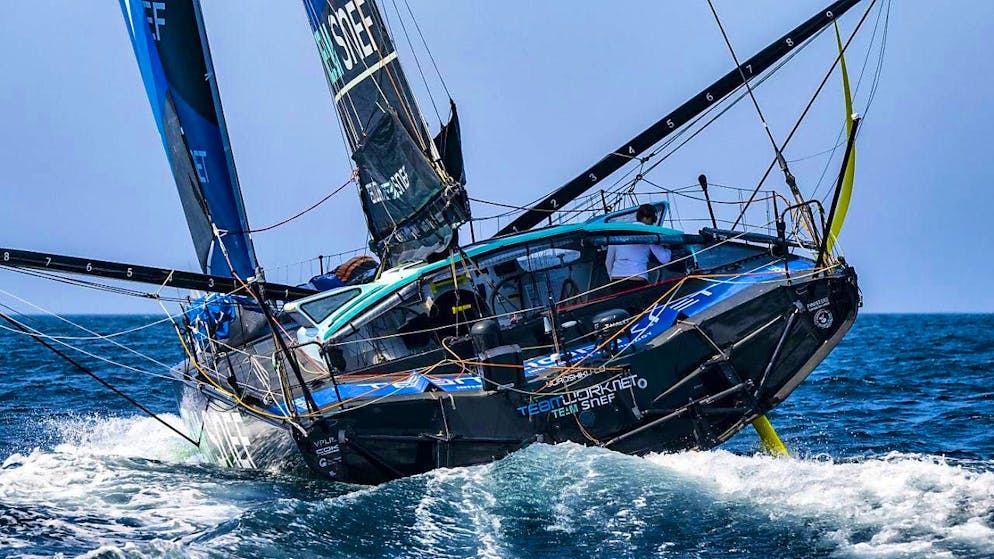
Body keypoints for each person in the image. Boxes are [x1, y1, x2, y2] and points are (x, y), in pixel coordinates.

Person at [605, 204, 672, 294]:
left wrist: (611, 277)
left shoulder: (618, 232)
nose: (652, 224)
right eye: (652, 221)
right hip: (637, 280)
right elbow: (665, 259)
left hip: (616, 280)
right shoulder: (649, 233)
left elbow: (608, 261)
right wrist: (668, 247)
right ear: (648, 218)